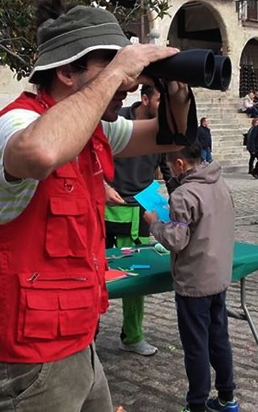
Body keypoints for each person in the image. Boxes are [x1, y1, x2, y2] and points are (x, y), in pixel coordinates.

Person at [0, 0, 193, 412]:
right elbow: (39, 152)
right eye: (110, 69)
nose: (125, 87)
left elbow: (169, 136)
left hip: (76, 343)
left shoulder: (91, 130)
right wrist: (116, 73)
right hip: (25, 362)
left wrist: (174, 90)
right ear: (69, 72)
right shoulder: (19, 123)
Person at [144, 142, 238, 412]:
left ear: (180, 164)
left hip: (194, 281)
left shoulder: (184, 194)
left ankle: (196, 404)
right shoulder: (219, 183)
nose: (168, 172)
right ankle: (227, 398)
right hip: (218, 275)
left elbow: (176, 240)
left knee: (196, 346)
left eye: (169, 166)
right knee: (219, 337)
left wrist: (154, 223)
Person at [104, 84, 170, 357]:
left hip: (145, 206)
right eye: (160, 99)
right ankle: (85, 339)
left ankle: (132, 336)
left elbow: (167, 168)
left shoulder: (162, 129)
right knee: (99, 274)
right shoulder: (115, 121)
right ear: (144, 98)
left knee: (137, 278)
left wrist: (178, 207)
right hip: (109, 209)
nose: (165, 105)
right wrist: (101, 185)